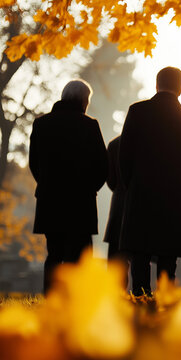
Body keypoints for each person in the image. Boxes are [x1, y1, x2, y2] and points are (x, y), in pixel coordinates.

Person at [119, 67, 181, 296]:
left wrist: (133, 186)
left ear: (156, 85)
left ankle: (139, 296)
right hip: (174, 200)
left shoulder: (137, 112)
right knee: (168, 260)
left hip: (141, 196)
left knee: (140, 255)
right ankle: (164, 300)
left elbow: (124, 156)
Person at [29, 79, 108, 293]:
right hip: (80, 203)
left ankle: (51, 299)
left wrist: (47, 184)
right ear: (84, 101)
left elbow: (34, 164)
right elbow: (103, 166)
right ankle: (75, 302)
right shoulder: (90, 126)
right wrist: (90, 188)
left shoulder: (41, 124)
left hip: (50, 200)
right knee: (79, 256)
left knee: (54, 253)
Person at [103, 136, 127, 262]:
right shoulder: (152, 143)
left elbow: (110, 178)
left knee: (116, 265)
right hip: (144, 211)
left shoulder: (114, 145)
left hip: (119, 209)